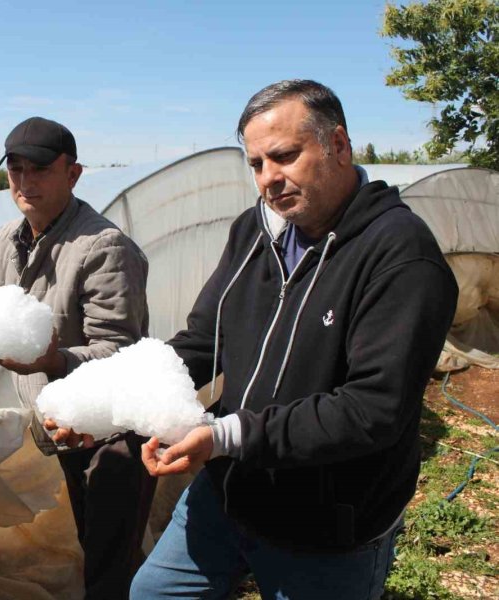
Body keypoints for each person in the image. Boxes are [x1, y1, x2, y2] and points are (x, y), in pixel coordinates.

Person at [130, 80, 458, 599]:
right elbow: (202, 341)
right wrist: (113, 400)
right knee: (155, 593)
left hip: (325, 522)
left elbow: (373, 408)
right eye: (256, 164)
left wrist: (223, 436)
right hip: (231, 492)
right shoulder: (253, 233)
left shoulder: (399, 255)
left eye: (284, 156)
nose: (269, 179)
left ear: (340, 146)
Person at [0, 116, 157, 599]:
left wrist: (53, 361)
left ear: (73, 174)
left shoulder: (103, 247)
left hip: (113, 432)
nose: (26, 182)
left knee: (110, 555)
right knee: (94, 542)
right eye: (16, 170)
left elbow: (121, 351)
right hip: (63, 423)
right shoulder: (8, 241)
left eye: (40, 170)